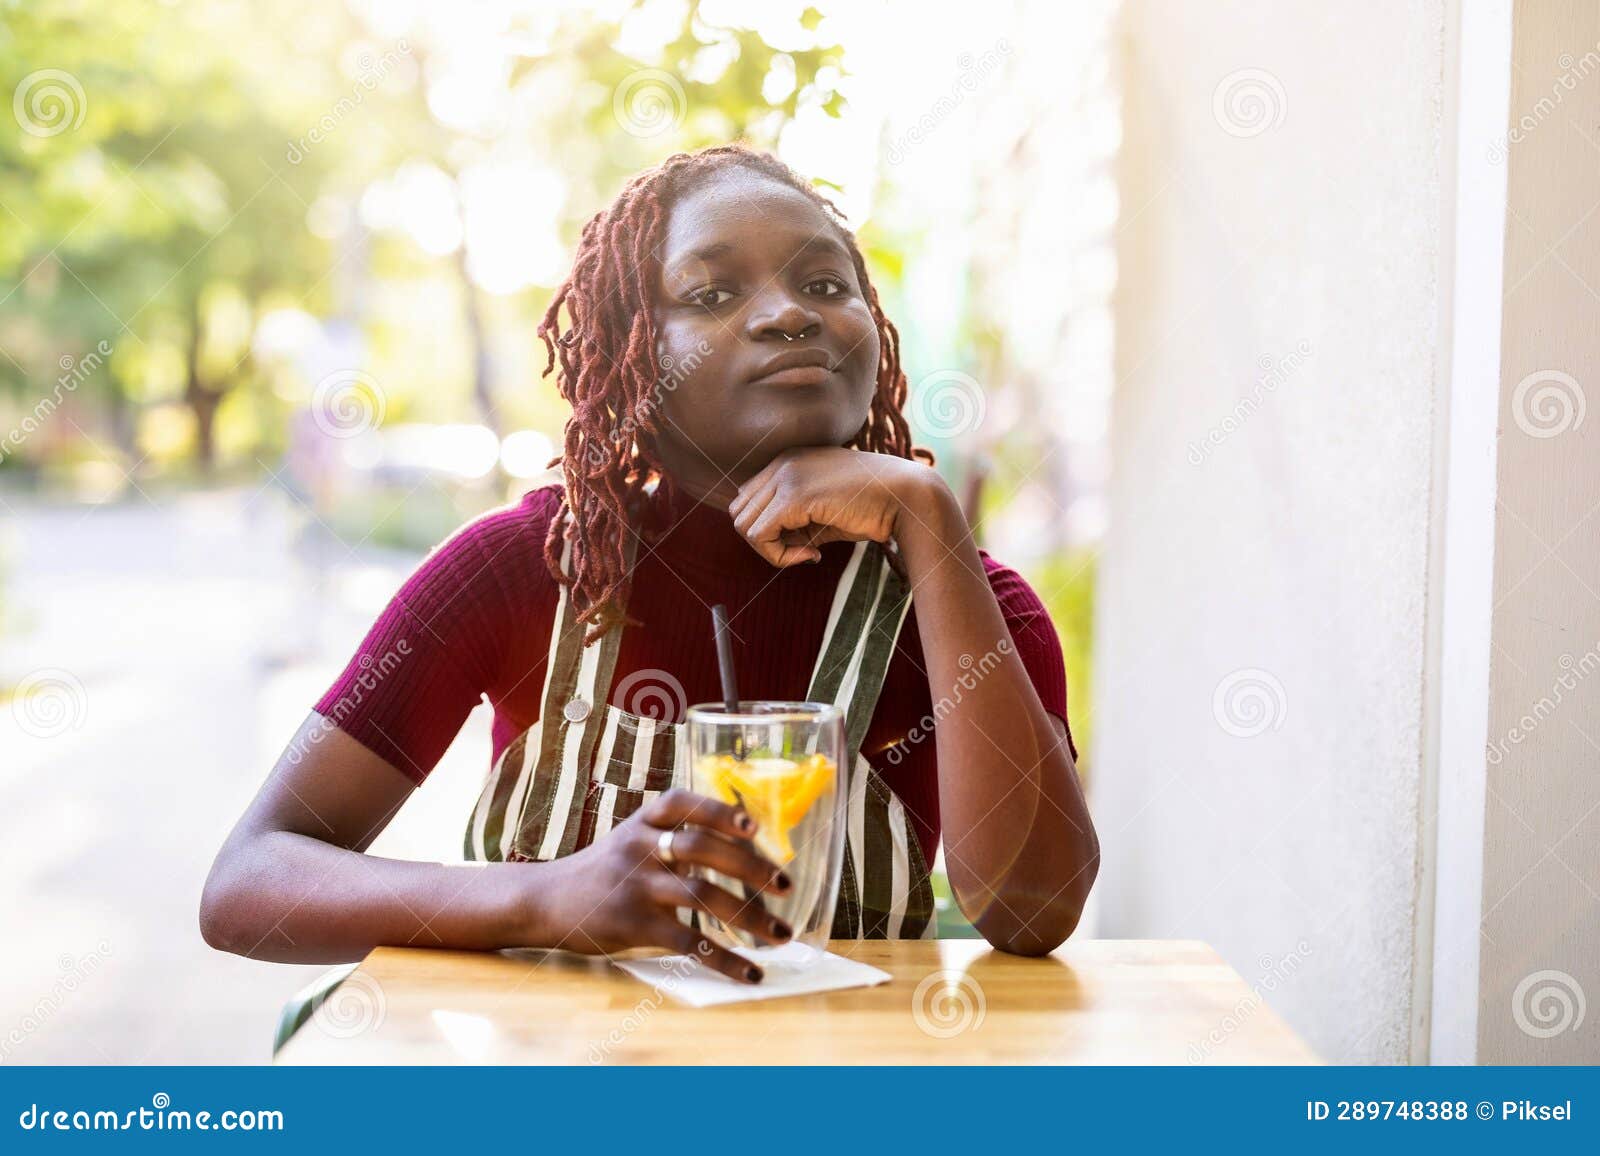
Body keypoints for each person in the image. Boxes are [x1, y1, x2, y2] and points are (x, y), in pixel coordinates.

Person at [201, 144, 1099, 987]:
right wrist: (544, 896)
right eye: (709, 295)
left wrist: (927, 522)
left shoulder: (975, 610)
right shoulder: (525, 569)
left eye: (825, 283)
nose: (788, 312)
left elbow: (1036, 911)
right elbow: (250, 882)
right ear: (631, 358)